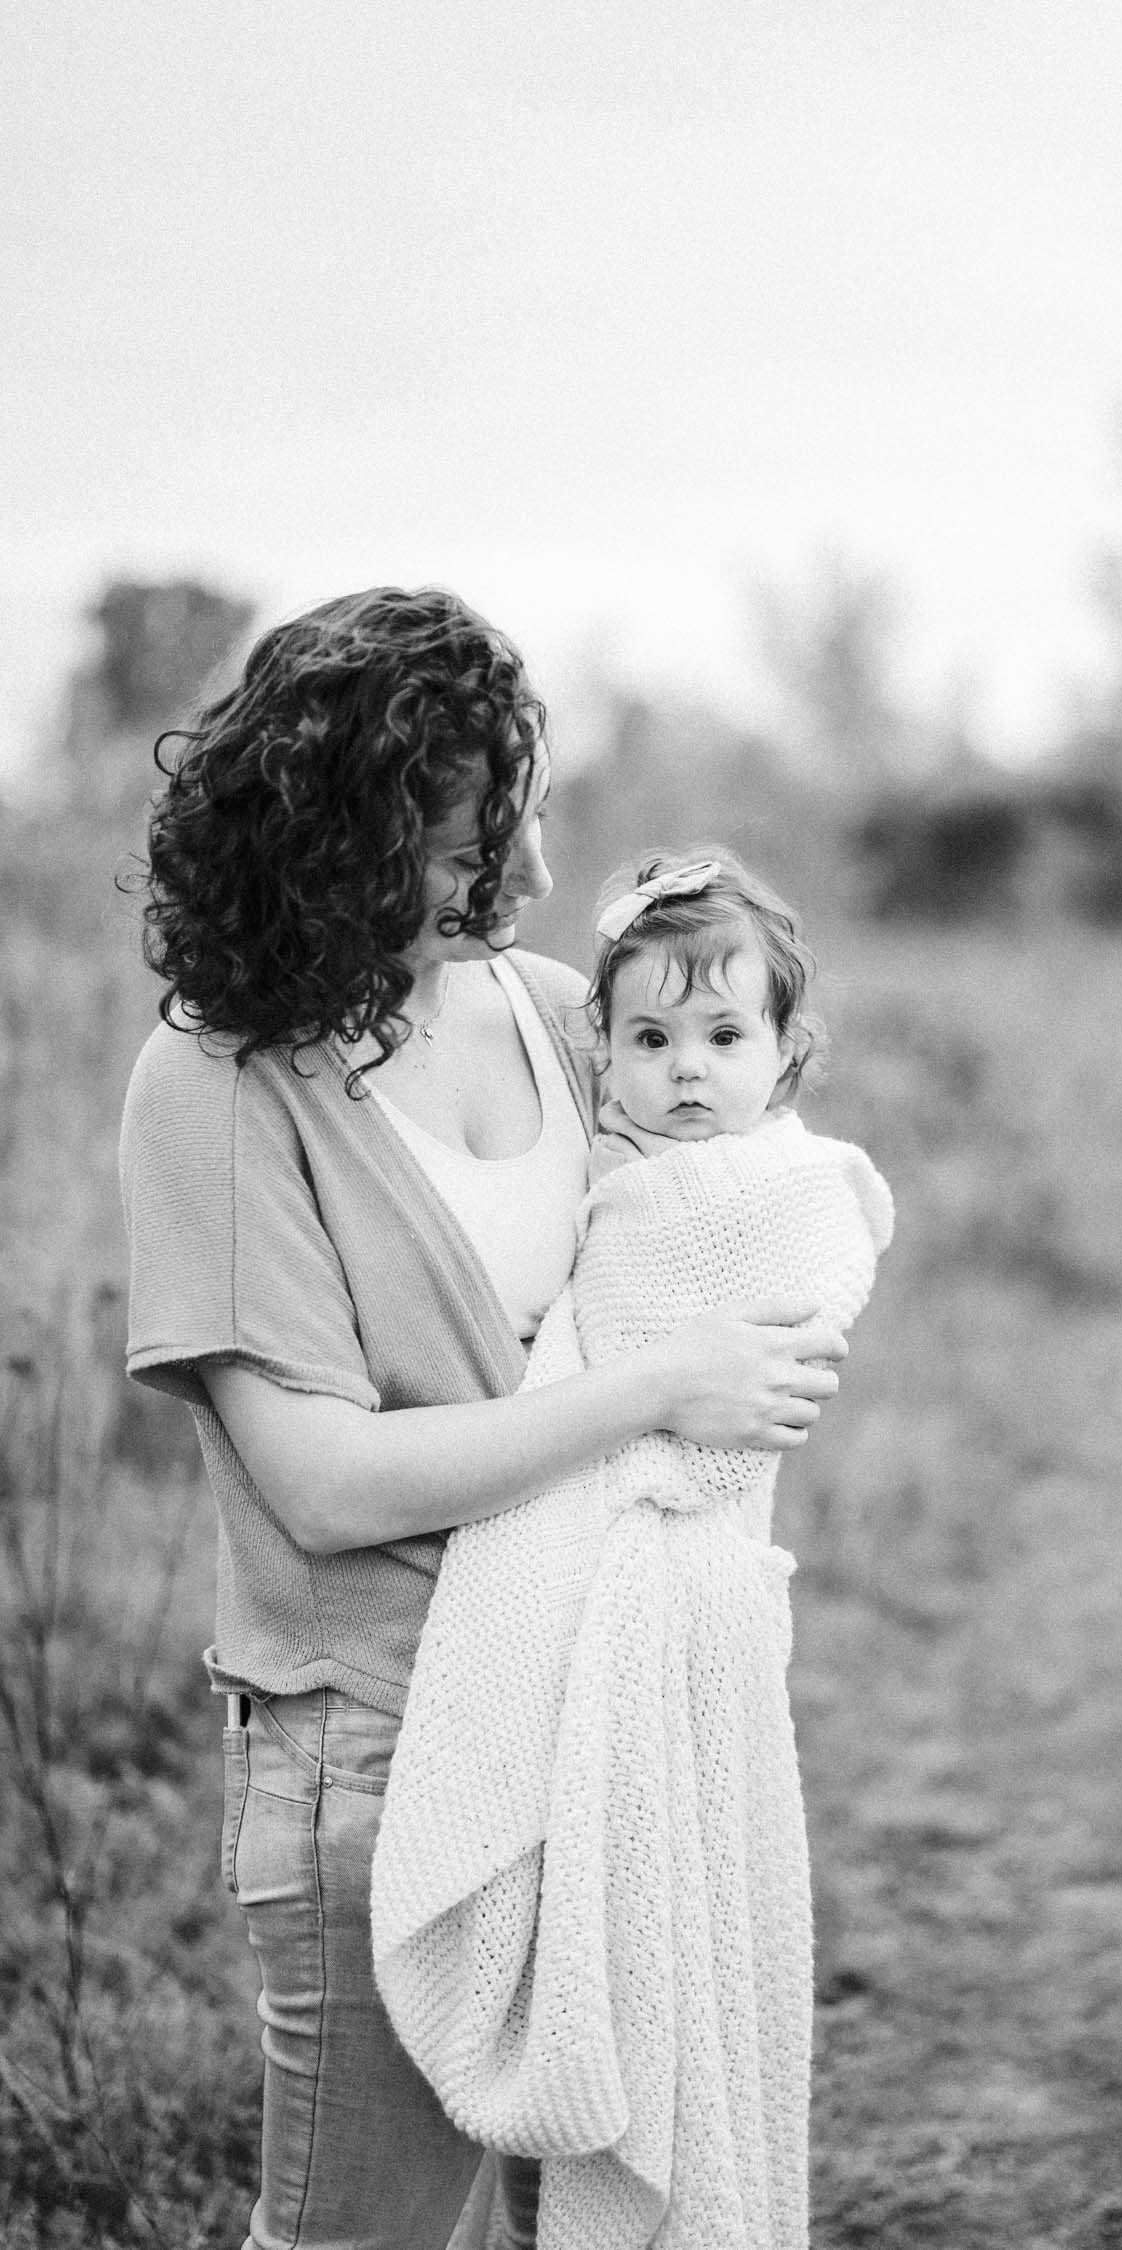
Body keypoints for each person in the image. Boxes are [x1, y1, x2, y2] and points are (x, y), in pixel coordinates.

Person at [116, 589, 848, 2250]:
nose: (523, 884)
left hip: (603, 1713)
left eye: (524, 825)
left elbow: (712, 1210)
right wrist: (660, 1389)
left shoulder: (540, 1004)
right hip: (370, 1751)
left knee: (595, 2209)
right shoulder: (216, 1084)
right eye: (467, 853)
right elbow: (318, 1481)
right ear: (340, 853)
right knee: (370, 2238)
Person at [372, 854, 893, 2250]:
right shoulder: (609, 1176)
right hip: (602, 1578)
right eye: (652, 1039)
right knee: (625, 1925)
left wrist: (646, 1444)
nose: (686, 1070)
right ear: (605, 1049)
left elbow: (747, 1372)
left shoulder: (780, 1186)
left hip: (683, 1582)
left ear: (788, 1055)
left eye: (726, 1038)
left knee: (691, 1950)